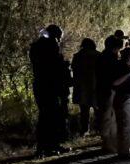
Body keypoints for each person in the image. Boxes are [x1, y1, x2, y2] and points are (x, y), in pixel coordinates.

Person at [29, 24, 73, 156]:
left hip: (40, 85)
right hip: (50, 87)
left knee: (46, 117)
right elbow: (54, 68)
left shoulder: (36, 46)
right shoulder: (50, 46)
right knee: (51, 117)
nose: (59, 40)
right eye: (59, 37)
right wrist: (64, 66)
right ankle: (50, 147)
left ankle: (45, 147)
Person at [96, 35, 124, 153]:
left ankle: (110, 142)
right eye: (118, 48)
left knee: (109, 117)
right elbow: (111, 75)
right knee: (107, 117)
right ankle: (107, 143)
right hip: (108, 90)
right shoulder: (109, 58)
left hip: (105, 89)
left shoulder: (103, 56)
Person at [71, 38, 100, 136]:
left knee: (84, 110)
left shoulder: (77, 56)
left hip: (82, 87)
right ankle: (98, 129)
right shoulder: (98, 55)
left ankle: (84, 130)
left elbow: (74, 71)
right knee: (98, 109)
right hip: (95, 85)